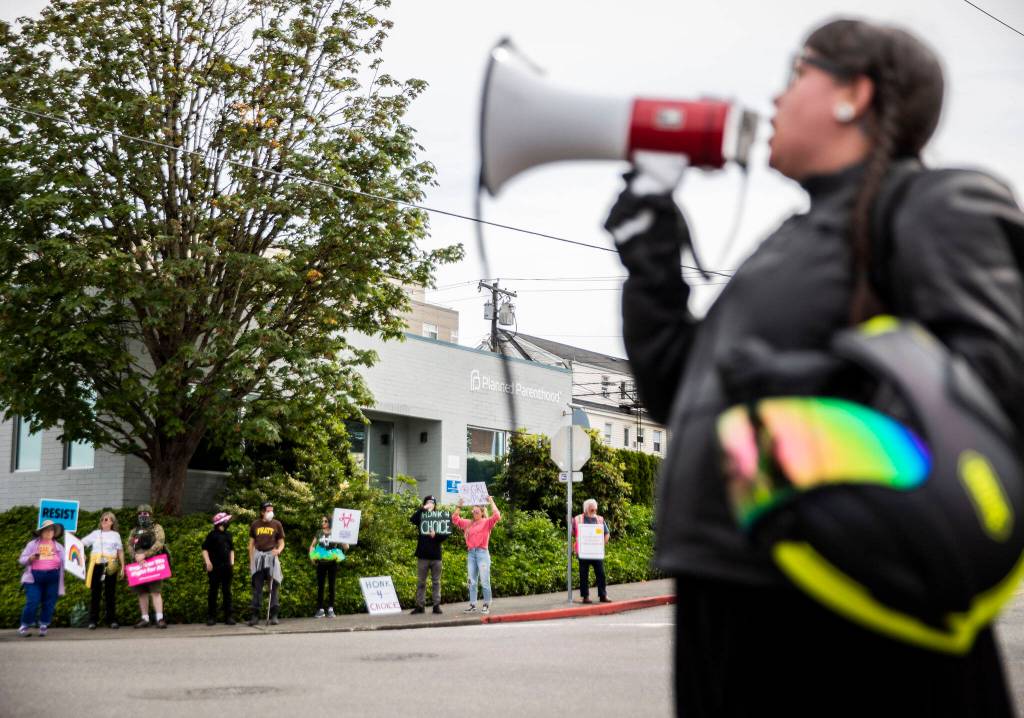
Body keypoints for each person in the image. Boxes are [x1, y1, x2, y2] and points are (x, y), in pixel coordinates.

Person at [606, 18, 1024, 716]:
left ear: (851, 95)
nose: (774, 100)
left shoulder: (936, 203)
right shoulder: (793, 241)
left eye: (797, 74)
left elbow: (991, 379)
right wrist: (651, 252)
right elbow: (676, 391)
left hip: (852, 603)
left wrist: (787, 390)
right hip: (731, 594)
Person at [450, 495, 501, 614]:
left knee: (484, 580)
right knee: (471, 580)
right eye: (473, 511)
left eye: (477, 511)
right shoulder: (468, 523)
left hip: (482, 553)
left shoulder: (487, 522)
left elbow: (497, 516)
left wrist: (491, 501)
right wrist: (459, 506)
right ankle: (472, 604)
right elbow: (454, 519)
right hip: (471, 553)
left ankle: (486, 604)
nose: (474, 513)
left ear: (482, 512)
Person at [17, 520, 66, 637]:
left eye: (52, 530)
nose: (49, 532)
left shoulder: (59, 546)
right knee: (33, 601)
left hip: (53, 577)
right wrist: (30, 558)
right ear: (41, 532)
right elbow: (21, 559)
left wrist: (79, 557)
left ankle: (43, 624)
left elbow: (68, 562)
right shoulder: (32, 544)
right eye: (46, 530)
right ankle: (25, 624)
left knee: (49, 602)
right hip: (33, 578)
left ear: (54, 532)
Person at [127, 504, 168, 628]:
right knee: (142, 593)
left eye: (145, 514)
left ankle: (160, 618)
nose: (142, 516)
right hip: (138, 565)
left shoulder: (157, 527)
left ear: (150, 515)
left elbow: (160, 542)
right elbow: (128, 545)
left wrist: (145, 554)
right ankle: (145, 618)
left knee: (155, 591)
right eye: (140, 514)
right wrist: (135, 556)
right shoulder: (134, 531)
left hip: (153, 563)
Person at [81, 511, 124, 629]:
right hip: (97, 564)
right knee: (95, 593)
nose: (104, 521)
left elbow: (120, 551)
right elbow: (81, 543)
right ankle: (93, 620)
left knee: (110, 593)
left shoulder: (116, 535)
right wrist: (82, 554)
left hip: (111, 564)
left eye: (106, 519)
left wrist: (123, 567)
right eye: (102, 519)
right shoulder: (95, 533)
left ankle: (111, 620)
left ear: (112, 522)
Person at [248, 500, 285, 626]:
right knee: (257, 588)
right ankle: (255, 615)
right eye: (268, 510)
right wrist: (251, 561)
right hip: (258, 557)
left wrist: (278, 551)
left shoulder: (277, 524)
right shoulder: (255, 524)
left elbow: (281, 542)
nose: (271, 512)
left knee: (273, 587)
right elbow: (251, 544)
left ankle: (274, 615)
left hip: (271, 556)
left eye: (272, 510)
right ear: (262, 512)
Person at [410, 495, 448, 615]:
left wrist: (435, 535)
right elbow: (412, 519)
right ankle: (420, 605)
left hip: (436, 556)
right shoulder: (421, 516)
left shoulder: (439, 517)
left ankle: (436, 605)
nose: (430, 504)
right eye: (428, 502)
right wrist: (423, 508)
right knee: (421, 582)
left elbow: (445, 535)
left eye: (432, 502)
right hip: (423, 555)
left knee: (436, 582)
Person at [572, 498, 611, 604]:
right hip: (583, 552)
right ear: (586, 509)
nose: (594, 512)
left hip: (596, 553)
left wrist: (601, 545)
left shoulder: (600, 519)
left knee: (601, 573)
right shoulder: (577, 519)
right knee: (583, 575)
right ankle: (585, 597)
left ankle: (603, 595)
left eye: (595, 510)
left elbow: (607, 534)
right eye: (592, 510)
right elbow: (572, 533)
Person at [308, 515, 348, 618]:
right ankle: (320, 609)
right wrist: (311, 556)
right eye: (322, 521)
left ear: (330, 522)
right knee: (320, 586)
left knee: (331, 586)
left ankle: (331, 608)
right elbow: (312, 545)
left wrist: (343, 538)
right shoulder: (319, 532)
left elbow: (346, 547)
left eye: (325, 521)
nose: (323, 523)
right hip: (321, 562)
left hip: (332, 563)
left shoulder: (336, 533)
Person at [202, 512, 235, 626]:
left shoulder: (228, 535)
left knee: (227, 592)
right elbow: (205, 549)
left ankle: (228, 616)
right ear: (220, 523)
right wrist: (207, 562)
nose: (228, 523)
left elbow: (231, 549)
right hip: (214, 567)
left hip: (226, 567)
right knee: (213, 591)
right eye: (226, 521)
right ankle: (211, 617)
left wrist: (232, 562)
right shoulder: (212, 535)